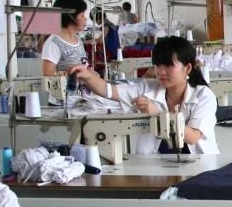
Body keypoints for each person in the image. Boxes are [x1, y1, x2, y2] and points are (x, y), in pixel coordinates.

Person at [69, 36, 218, 154]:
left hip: (200, 164)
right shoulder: (148, 88)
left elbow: (192, 137)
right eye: (157, 65)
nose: (161, 72)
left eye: (168, 65)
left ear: (188, 68)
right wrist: (87, 76)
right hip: (154, 163)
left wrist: (156, 114)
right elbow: (108, 90)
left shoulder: (204, 96)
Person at [40, 0, 90, 76]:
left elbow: (82, 63)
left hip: (83, 84)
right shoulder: (53, 43)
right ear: (70, 17)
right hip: (68, 85)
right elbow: (47, 74)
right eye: (82, 15)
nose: (85, 18)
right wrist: (70, 74)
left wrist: (89, 72)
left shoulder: (77, 39)